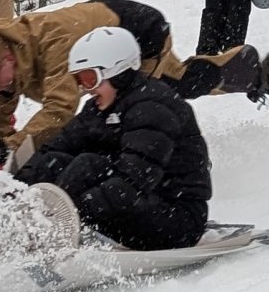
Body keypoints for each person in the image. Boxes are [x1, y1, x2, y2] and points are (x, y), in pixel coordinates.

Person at [0, 0, 269, 159]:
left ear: (7, 56)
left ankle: (176, 163)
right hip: (104, 39)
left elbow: (59, 110)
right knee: (180, 84)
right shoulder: (1, 63)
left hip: (138, 31)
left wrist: (10, 149)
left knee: (143, 105)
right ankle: (250, 70)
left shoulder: (52, 43)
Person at [12, 25, 213, 251]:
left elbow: (132, 182)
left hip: (178, 220)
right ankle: (17, 224)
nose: (86, 90)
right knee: (56, 162)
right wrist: (14, 190)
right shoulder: (99, 109)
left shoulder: (154, 107)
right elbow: (55, 149)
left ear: (118, 72)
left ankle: (52, 232)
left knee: (88, 164)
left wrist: (73, 210)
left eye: (89, 79)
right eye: (80, 80)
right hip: (136, 206)